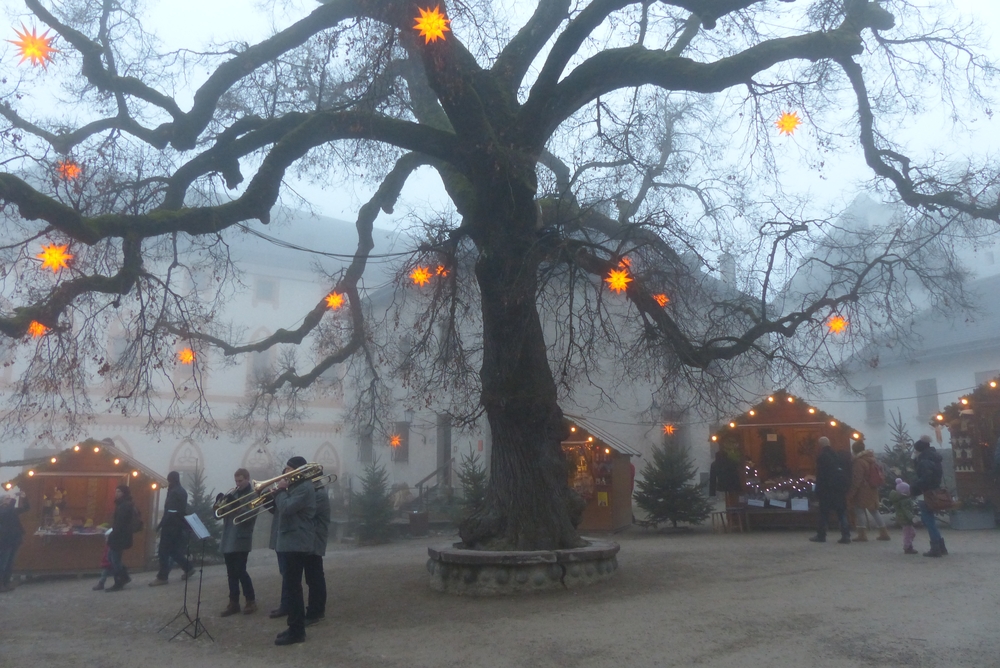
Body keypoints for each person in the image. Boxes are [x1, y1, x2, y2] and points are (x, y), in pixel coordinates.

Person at [272, 456, 316, 646]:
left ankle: (297, 631)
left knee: (293, 588)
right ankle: (294, 626)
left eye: (289, 469)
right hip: (290, 541)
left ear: (298, 470)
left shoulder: (304, 487)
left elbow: (287, 508)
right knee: (291, 588)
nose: (285, 472)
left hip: (295, 542)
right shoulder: (296, 487)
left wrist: (280, 491)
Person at [215, 468, 258, 616]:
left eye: (240, 481)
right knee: (231, 573)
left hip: (241, 538)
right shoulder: (232, 493)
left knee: (240, 571)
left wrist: (234, 506)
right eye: (236, 481)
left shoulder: (253, 495)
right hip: (228, 537)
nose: (238, 484)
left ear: (247, 479)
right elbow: (220, 514)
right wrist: (219, 505)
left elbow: (250, 515)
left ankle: (250, 600)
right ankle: (233, 602)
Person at [149, 470, 194, 585]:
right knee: (174, 551)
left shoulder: (174, 492)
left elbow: (170, 511)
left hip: (170, 526)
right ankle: (188, 567)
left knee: (163, 552)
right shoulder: (182, 491)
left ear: (171, 480)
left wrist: (160, 525)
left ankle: (162, 577)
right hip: (179, 524)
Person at [908, 435, 947, 558]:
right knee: (930, 520)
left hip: (926, 493)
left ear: (919, 450)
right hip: (934, 490)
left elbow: (924, 479)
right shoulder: (934, 458)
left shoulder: (924, 461)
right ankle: (941, 546)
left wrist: (913, 487)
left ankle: (935, 547)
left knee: (928, 520)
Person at [809, 437, 852, 544]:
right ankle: (846, 535)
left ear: (820, 445)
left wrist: (817, 491)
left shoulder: (822, 456)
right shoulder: (837, 455)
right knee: (841, 513)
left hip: (826, 490)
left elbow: (820, 476)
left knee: (823, 514)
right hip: (839, 490)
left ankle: (821, 535)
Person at [847, 441, 890, 541]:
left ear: (854, 450)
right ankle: (884, 532)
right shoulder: (871, 459)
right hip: (872, 488)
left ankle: (862, 535)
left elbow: (857, 479)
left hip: (862, 490)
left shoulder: (859, 461)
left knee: (860, 510)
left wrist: (851, 493)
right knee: (874, 511)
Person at [304, 479, 330, 626]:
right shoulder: (313, 492)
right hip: (310, 539)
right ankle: (315, 609)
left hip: (314, 539)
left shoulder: (319, 494)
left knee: (315, 577)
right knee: (312, 577)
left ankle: (316, 611)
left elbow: (306, 512)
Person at [105, 484, 136, 592]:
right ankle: (124, 576)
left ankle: (119, 581)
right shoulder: (121, 504)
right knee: (111, 558)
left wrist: (113, 534)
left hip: (119, 537)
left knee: (115, 560)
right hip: (119, 536)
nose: (116, 493)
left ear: (123, 493)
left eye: (119, 491)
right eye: (116, 491)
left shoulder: (125, 505)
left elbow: (120, 523)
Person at [0, 491, 30, 593]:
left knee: (10, 563)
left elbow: (26, 508)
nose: (9, 501)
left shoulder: (11, 510)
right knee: (2, 563)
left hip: (14, 540)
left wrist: (24, 498)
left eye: (9, 499)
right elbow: (7, 511)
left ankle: (6, 583)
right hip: (4, 541)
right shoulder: (3, 510)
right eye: (7, 499)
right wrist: (13, 499)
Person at [889, 478, 918, 555]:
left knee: (909, 532)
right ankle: (907, 547)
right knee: (909, 533)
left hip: (902, 518)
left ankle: (908, 545)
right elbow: (907, 511)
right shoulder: (905, 500)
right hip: (906, 519)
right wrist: (912, 518)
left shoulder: (899, 499)